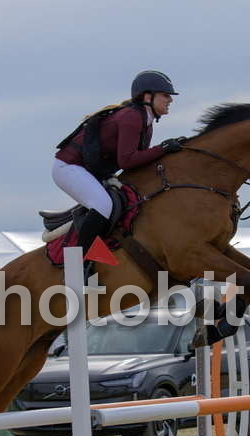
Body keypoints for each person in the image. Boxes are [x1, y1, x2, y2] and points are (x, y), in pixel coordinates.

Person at [53, 70, 185, 281]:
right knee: (103, 205)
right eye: (165, 95)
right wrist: (163, 149)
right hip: (68, 167)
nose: (170, 100)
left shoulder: (146, 121)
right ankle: (74, 269)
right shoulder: (132, 117)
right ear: (147, 96)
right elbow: (127, 161)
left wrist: (168, 153)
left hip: (89, 171)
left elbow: (138, 163)